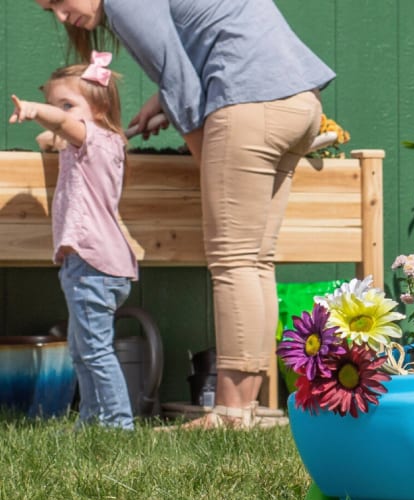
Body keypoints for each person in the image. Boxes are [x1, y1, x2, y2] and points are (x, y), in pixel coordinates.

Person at [34, 0, 333, 429]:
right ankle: (243, 408)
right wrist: (162, 101)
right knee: (255, 260)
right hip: (297, 101)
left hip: (249, 102)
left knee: (233, 260)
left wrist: (205, 155)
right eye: (50, 11)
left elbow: (179, 76)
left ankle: (229, 411)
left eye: (60, 2)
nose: (62, 16)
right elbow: (210, 40)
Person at [9, 54, 138, 430]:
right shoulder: (102, 143)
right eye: (54, 104)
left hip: (91, 263)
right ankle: (93, 419)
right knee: (83, 352)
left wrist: (37, 110)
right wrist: (54, 125)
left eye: (67, 103)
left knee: (95, 351)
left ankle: (118, 423)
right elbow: (51, 135)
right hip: (94, 265)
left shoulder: (91, 137)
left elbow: (63, 125)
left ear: (98, 108)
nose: (59, 113)